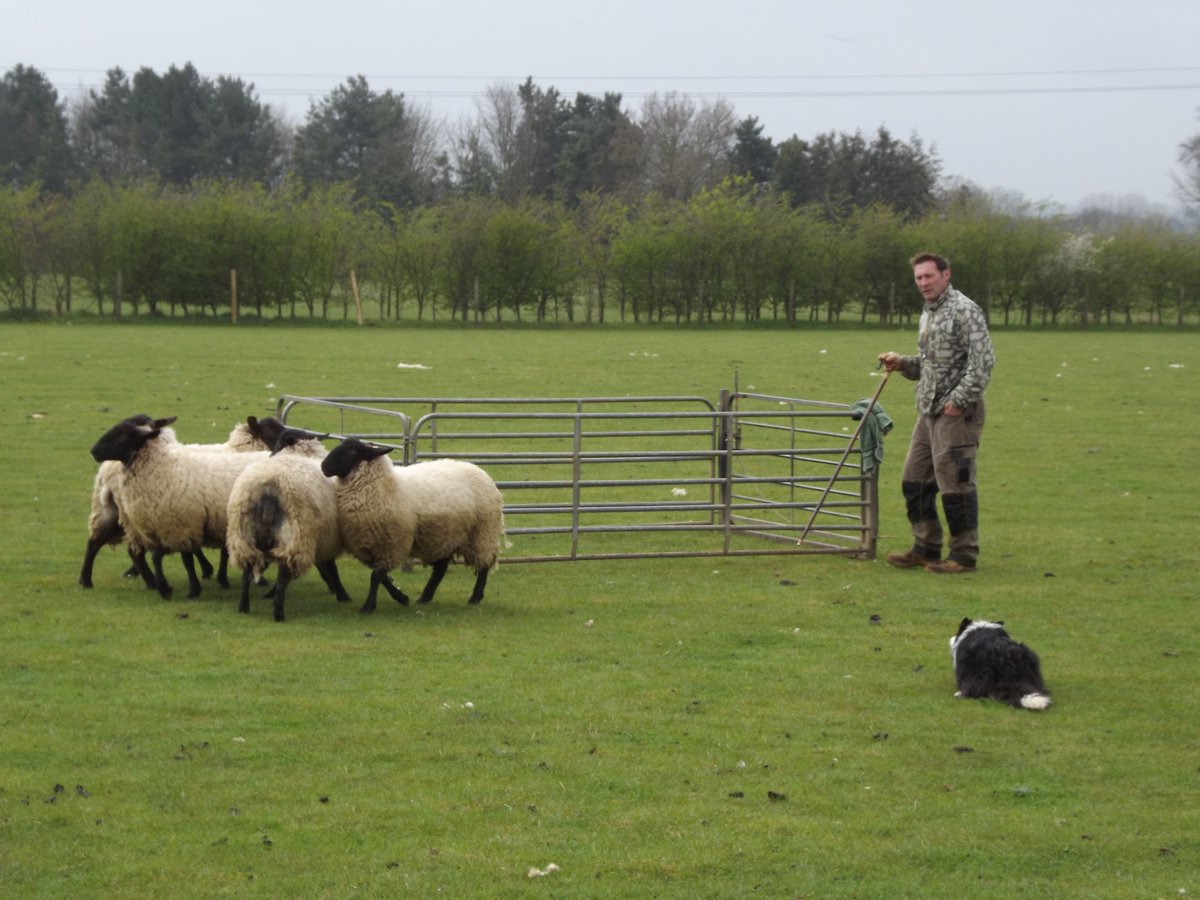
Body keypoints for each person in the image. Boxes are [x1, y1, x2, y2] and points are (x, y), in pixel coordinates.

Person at [878, 252, 994, 574]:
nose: (923, 283)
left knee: (956, 484)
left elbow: (982, 364)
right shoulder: (929, 313)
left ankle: (963, 555)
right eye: (919, 278)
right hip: (928, 411)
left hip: (956, 414)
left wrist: (957, 402)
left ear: (946, 275)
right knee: (914, 480)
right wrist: (901, 363)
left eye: (929, 276)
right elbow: (929, 364)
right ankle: (925, 547)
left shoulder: (965, 311)